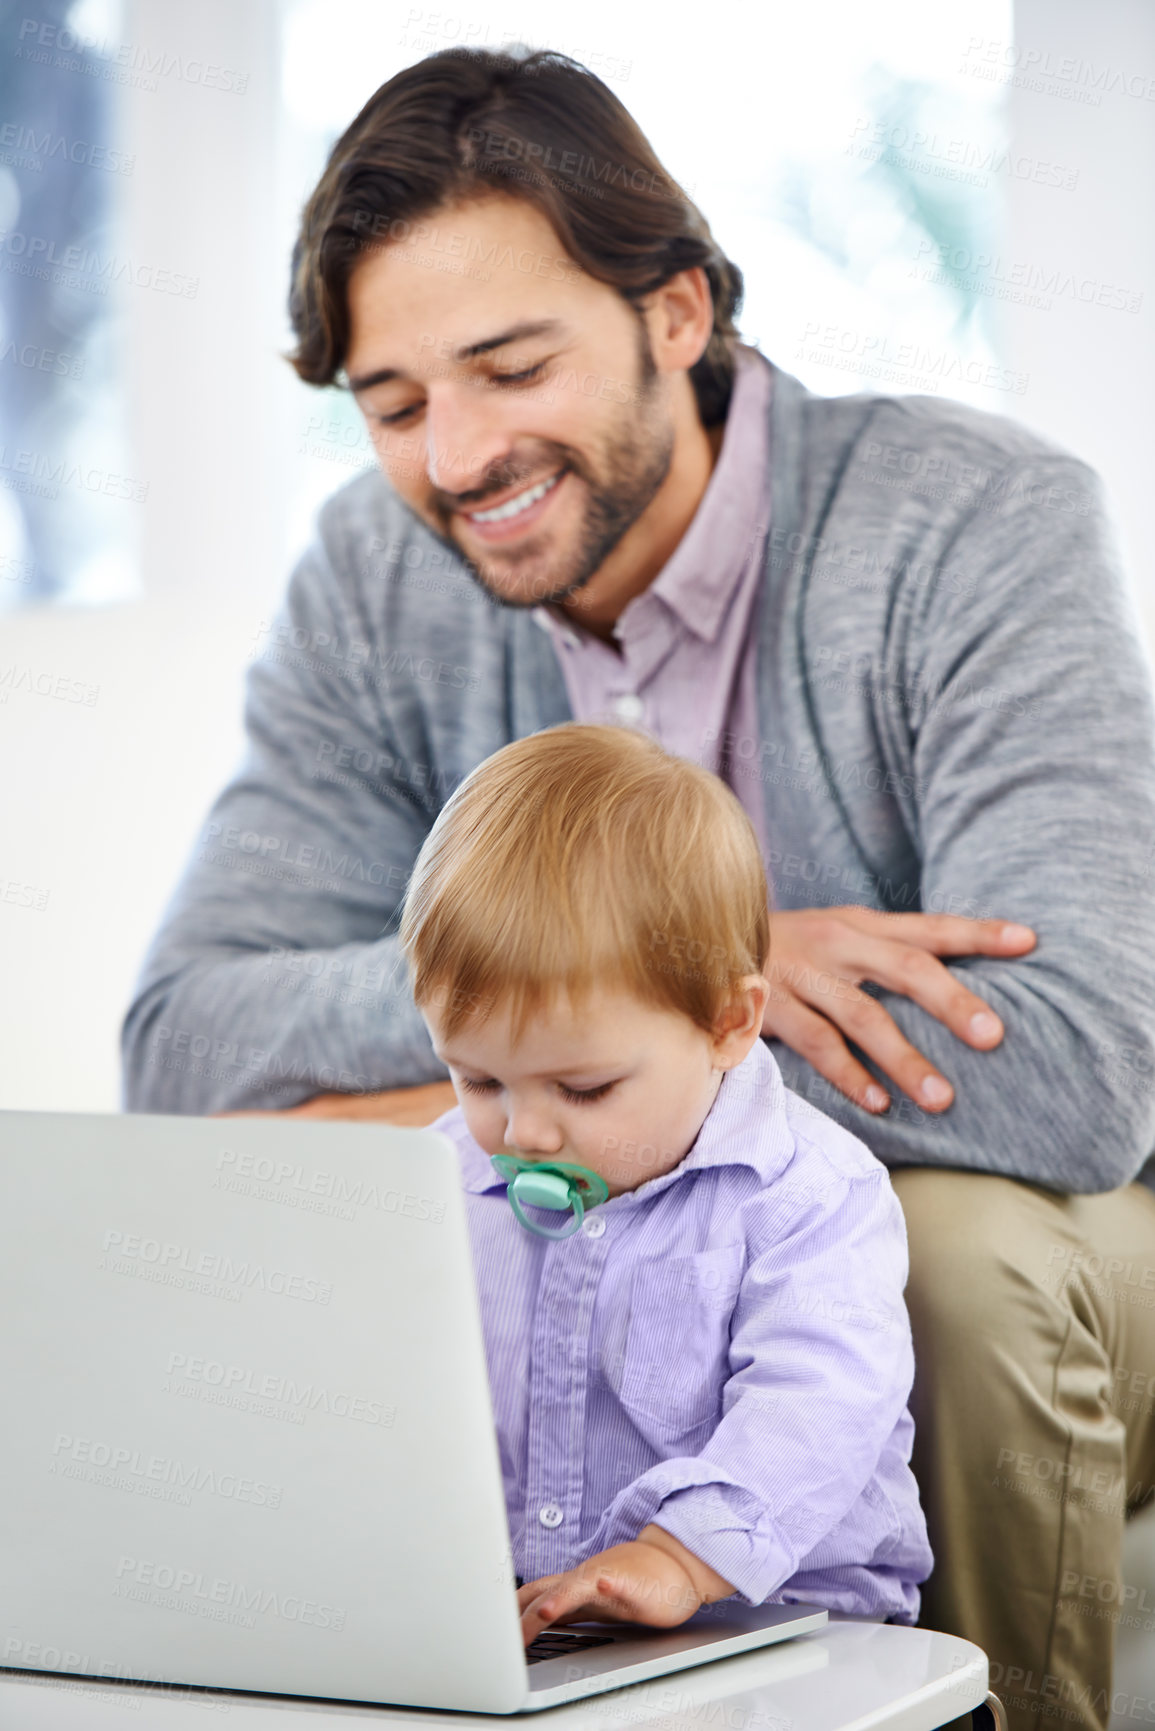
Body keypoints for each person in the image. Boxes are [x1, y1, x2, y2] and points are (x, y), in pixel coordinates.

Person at [120, 45, 1155, 1731]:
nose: (453, 457)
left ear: (680, 316)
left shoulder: (974, 521)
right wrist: (567, 998)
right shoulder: (379, 578)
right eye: (391, 404)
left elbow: (1079, 1069)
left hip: (1064, 1238)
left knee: (943, 1252)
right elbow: (187, 1042)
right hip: (604, 1222)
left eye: (508, 365)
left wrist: (653, 1040)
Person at [400, 720, 933, 1641]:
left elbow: (819, 1401)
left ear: (730, 1022)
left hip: (788, 1625)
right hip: (540, 1630)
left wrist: (680, 1556)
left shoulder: (809, 1197)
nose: (522, 1131)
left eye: (584, 1086)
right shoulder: (439, 1178)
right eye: (479, 1078)